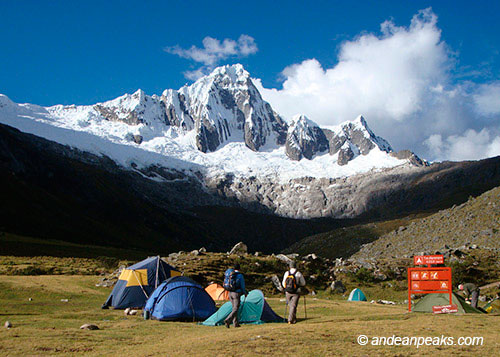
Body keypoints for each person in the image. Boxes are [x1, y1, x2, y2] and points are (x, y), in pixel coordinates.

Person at [224, 263, 246, 328]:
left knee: (234, 308)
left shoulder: (230, 274)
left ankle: (235, 323)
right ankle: (228, 320)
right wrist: (244, 292)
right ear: (239, 268)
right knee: (236, 308)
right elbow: (242, 285)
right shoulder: (240, 275)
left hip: (229, 292)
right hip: (236, 293)